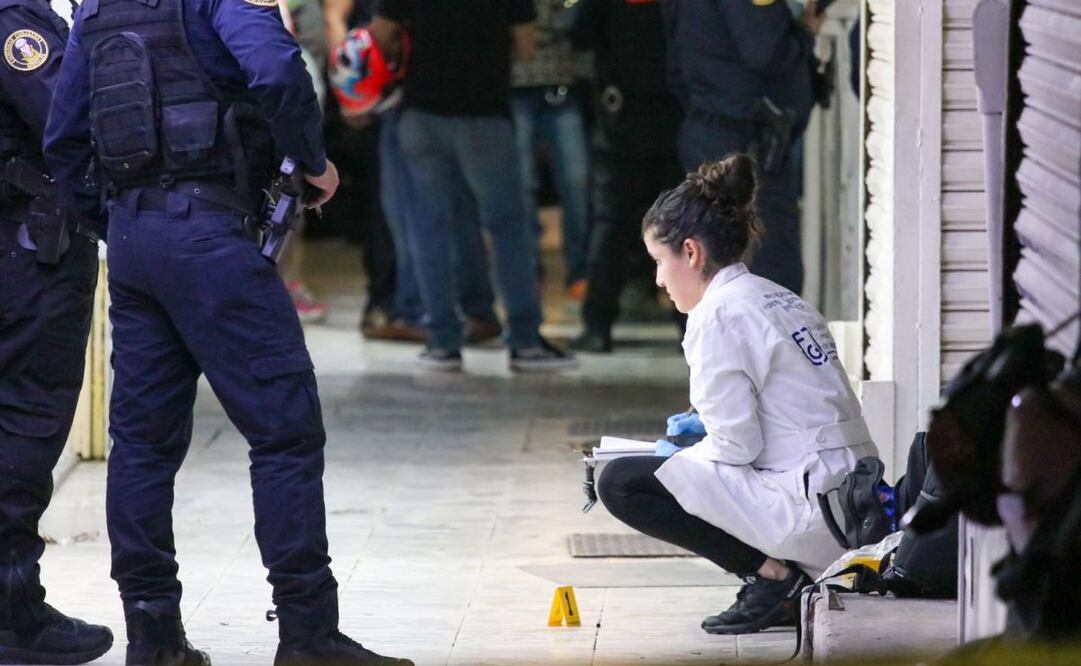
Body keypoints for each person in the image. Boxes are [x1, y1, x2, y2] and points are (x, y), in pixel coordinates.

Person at [42, 0, 412, 663]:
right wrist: (313, 161)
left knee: (143, 444)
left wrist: (123, 223)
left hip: (133, 240)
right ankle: (308, 634)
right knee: (284, 434)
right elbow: (275, 69)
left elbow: (63, 139)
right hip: (212, 237)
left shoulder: (97, 8)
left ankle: (153, 638)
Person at [597, 155, 877, 634]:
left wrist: (680, 454)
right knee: (680, 463)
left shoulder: (716, 317)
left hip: (814, 513)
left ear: (690, 253)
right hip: (859, 502)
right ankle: (786, 574)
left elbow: (736, 447)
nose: (659, 281)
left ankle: (773, 578)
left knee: (619, 481)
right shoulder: (780, 297)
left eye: (659, 263)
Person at [370, 0, 578, 372]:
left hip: (421, 113)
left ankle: (442, 343)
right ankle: (525, 342)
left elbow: (380, 34)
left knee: (429, 229)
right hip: (484, 114)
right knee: (507, 227)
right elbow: (526, 46)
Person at [0, 2, 115, 662]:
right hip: (26, 257)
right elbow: (67, 121)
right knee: (23, 424)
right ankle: (13, 617)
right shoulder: (16, 17)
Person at [662, 0, 824, 295]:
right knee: (768, 269)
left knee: (711, 261)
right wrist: (804, 33)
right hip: (745, 143)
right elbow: (766, 51)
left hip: (711, 128)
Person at [569, 0, 684, 352]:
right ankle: (691, 327)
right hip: (676, 116)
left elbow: (577, 31)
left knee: (613, 226)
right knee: (683, 227)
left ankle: (598, 326)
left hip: (623, 117)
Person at [510, 0, 590, 299]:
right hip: (516, 84)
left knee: (577, 182)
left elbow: (576, 19)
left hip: (563, 84)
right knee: (523, 186)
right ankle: (529, 272)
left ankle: (580, 271)